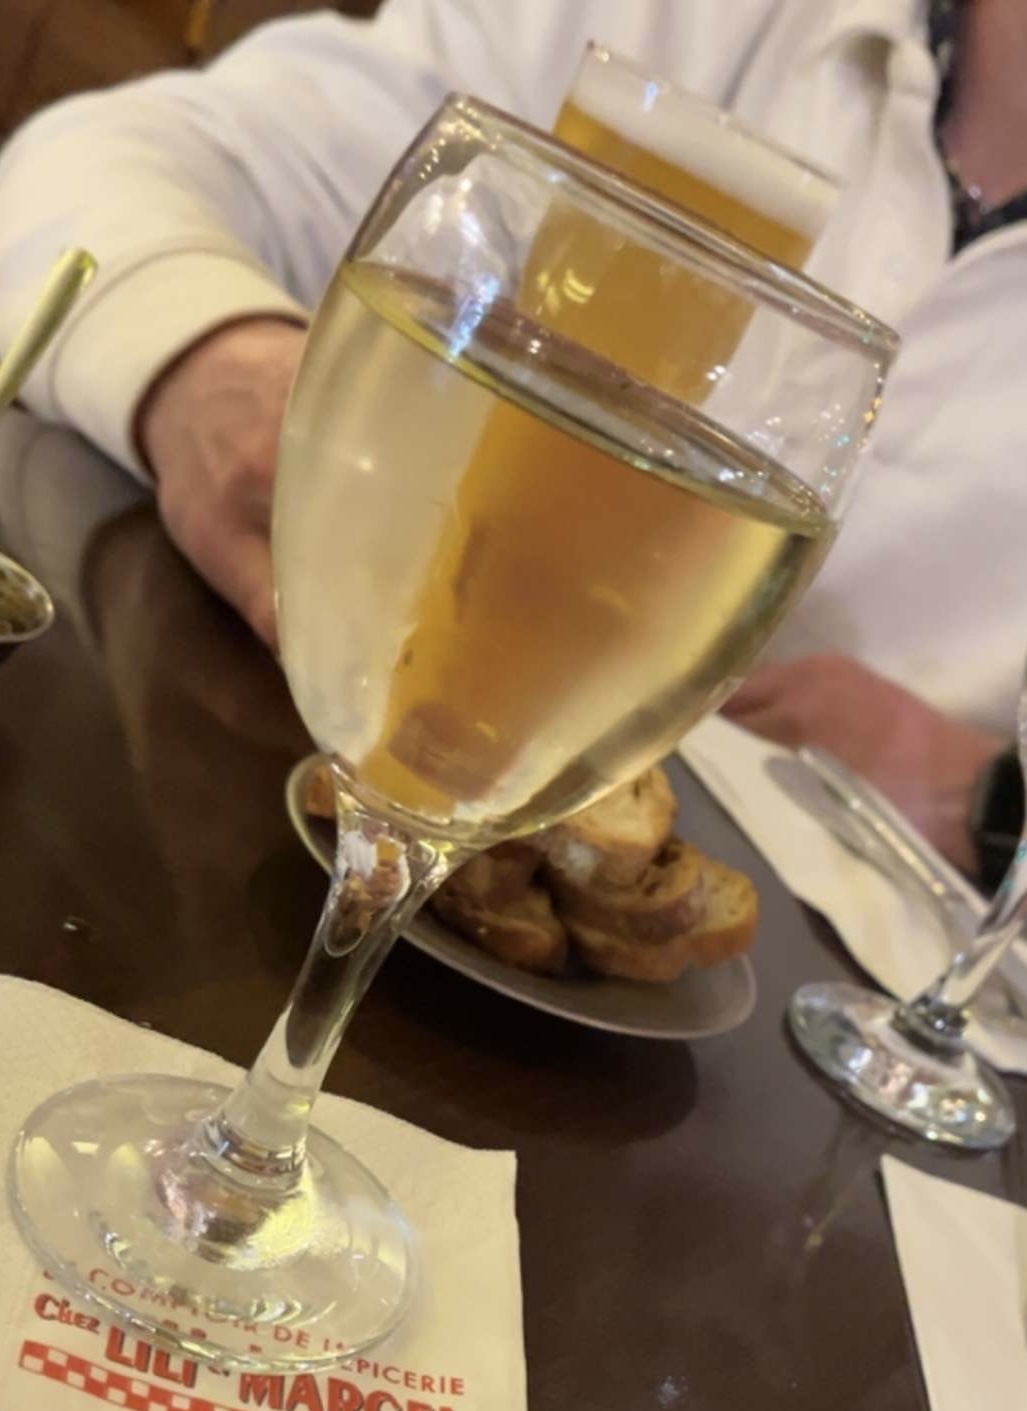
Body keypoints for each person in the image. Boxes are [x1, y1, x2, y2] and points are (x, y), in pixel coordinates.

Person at [1, 0, 1027, 880]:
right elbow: (92, 161)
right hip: (245, 792)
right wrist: (209, 365)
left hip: (800, 1016)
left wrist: (1001, 801)